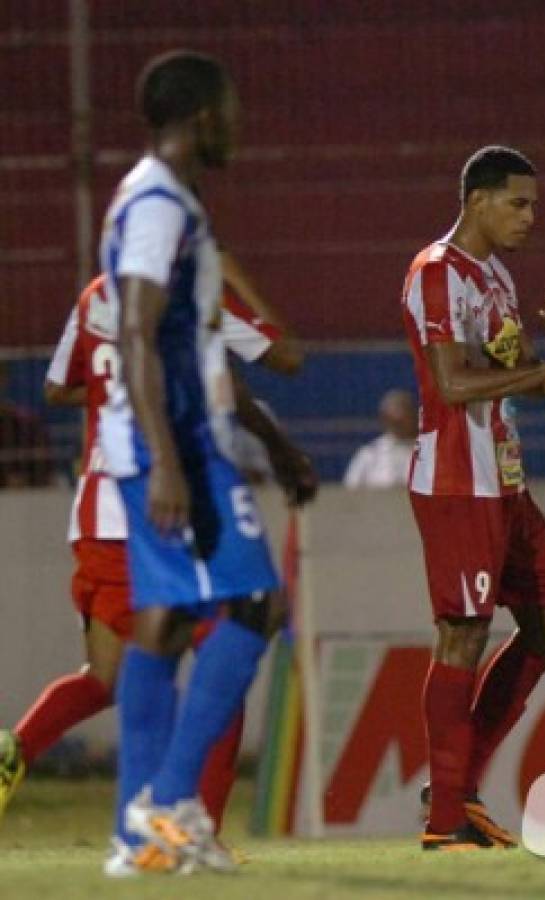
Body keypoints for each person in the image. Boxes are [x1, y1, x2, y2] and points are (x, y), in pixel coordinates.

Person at [95, 50, 314, 876]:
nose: (238, 125)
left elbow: (192, 340)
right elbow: (137, 333)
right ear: (202, 117)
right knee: (257, 600)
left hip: (178, 437)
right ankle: (170, 800)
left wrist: (268, 443)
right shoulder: (156, 204)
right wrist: (166, 461)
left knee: (171, 619)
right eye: (230, 110)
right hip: (172, 442)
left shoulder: (167, 198)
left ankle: (134, 833)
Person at [0, 259, 303, 832]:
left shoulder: (95, 296)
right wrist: (234, 274)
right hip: (173, 511)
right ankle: (195, 829)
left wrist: (116, 396)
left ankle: (16, 748)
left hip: (103, 514)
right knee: (225, 664)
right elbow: (285, 355)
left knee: (104, 679)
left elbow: (57, 386)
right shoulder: (194, 296)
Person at [400, 145, 545, 851]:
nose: (530, 217)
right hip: (458, 480)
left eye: (533, 206)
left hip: (506, 478)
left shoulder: (494, 278)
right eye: (518, 203)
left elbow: (527, 379)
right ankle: (444, 821)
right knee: (462, 633)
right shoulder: (437, 274)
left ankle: (457, 787)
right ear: (476, 201)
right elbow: (453, 386)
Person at [343, 389, 417, 489]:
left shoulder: (431, 453)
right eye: (393, 420)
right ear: (384, 419)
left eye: (403, 419)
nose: (399, 424)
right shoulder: (369, 455)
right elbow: (349, 494)